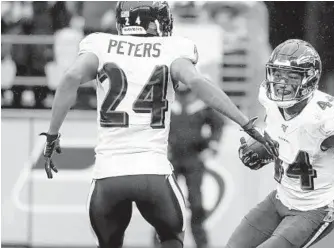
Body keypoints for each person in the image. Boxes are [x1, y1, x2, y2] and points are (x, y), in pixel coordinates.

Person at [39, 2, 278, 248]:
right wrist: (245, 124)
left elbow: (70, 77)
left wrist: (52, 135)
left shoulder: (99, 44)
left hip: (108, 175)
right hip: (152, 172)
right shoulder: (172, 48)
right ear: (153, 21)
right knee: (172, 239)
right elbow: (196, 82)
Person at [227, 39, 334, 248]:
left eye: (292, 76)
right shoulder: (269, 100)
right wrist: (263, 147)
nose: (282, 83)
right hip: (280, 198)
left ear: (310, 79)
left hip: (316, 208)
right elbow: (283, 136)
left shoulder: (323, 117)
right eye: (278, 75)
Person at [153, 84, 225, 248]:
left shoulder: (201, 105)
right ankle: (159, 242)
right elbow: (152, 125)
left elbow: (218, 123)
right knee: (164, 202)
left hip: (193, 158)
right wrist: (159, 147)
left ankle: (202, 243)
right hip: (170, 159)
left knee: (196, 203)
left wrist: (212, 145)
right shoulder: (166, 104)